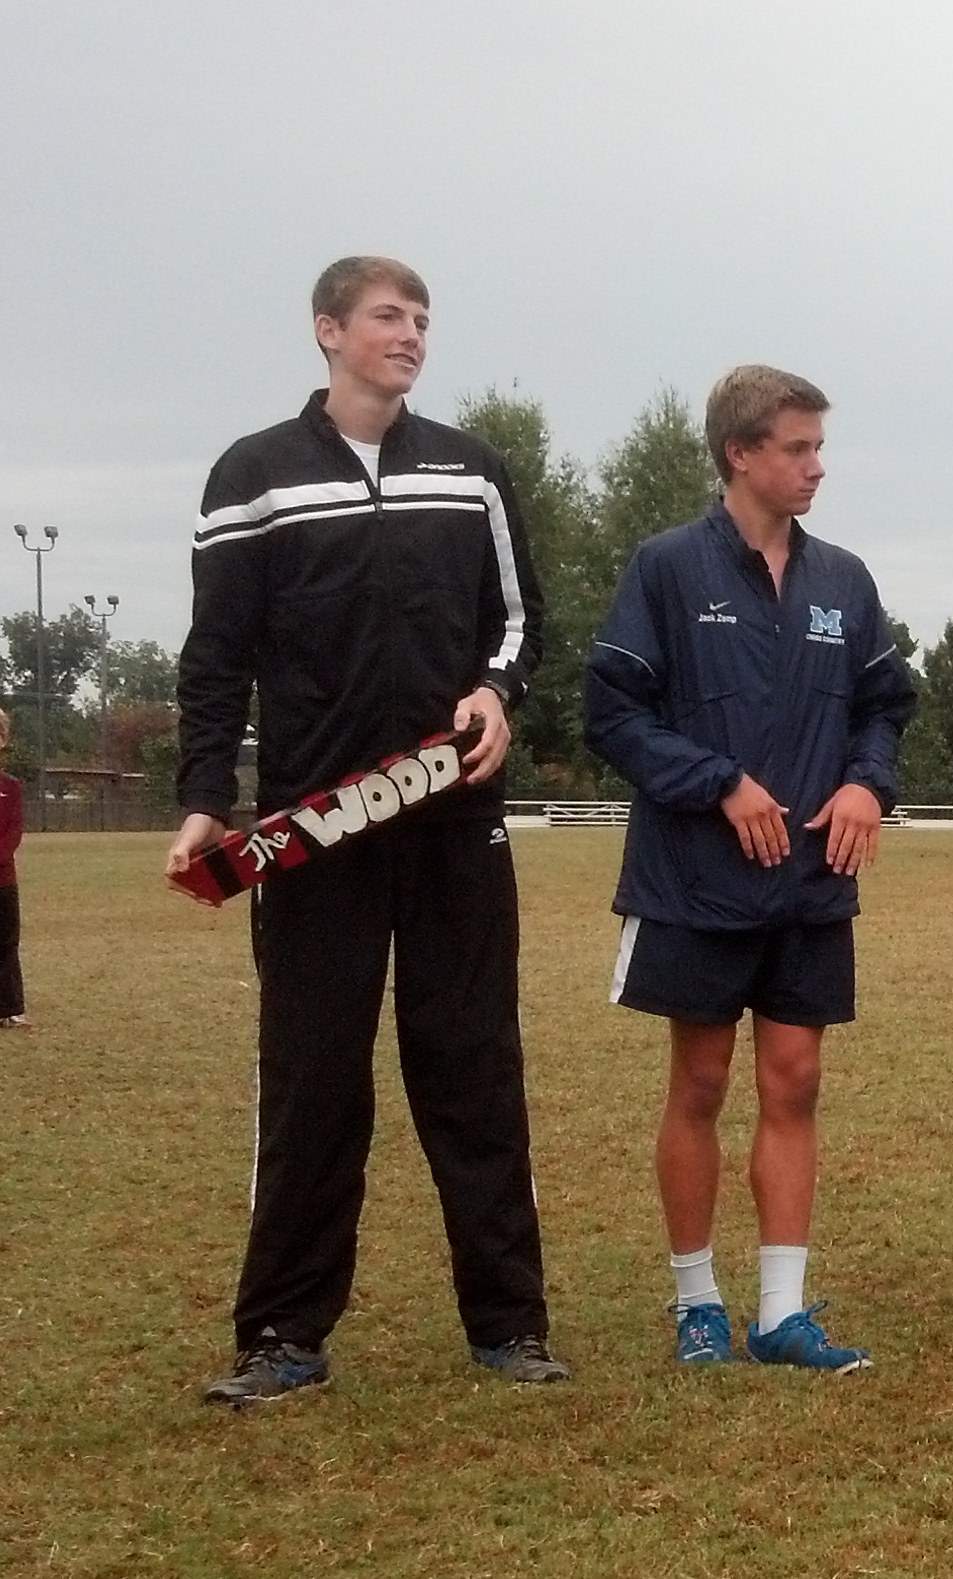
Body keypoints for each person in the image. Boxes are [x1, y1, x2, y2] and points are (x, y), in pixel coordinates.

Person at [170, 256, 561, 1403]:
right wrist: (204, 794)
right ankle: (282, 1336)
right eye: (390, 316)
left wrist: (496, 692)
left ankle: (510, 1326)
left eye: (422, 319)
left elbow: (520, 619)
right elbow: (216, 657)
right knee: (314, 1081)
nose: (411, 334)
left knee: (473, 1068)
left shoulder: (471, 469)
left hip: (453, 819)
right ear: (328, 330)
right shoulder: (254, 476)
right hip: (315, 832)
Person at [586, 365, 916, 1371]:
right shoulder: (666, 568)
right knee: (700, 1079)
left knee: (796, 1079)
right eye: (797, 447)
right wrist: (720, 782)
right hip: (695, 877)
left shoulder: (843, 580)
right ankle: (698, 1302)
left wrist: (866, 784)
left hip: (810, 879)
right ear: (740, 453)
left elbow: (884, 706)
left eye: (819, 447)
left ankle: (780, 1313)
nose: (816, 466)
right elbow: (613, 715)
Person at [0, 708, 23, 1030]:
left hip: (3, 882)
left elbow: (13, 832)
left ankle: (10, 1009)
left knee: (5, 945)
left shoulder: (11, 787)